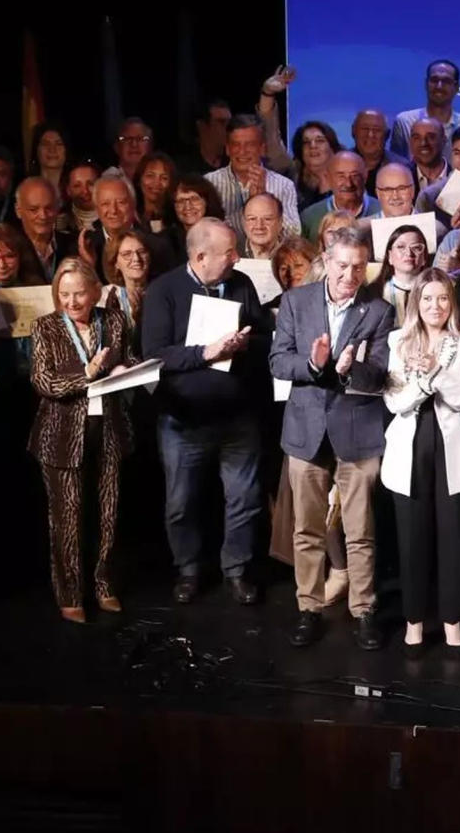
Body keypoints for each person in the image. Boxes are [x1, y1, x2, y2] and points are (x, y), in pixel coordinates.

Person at [271, 228, 395, 652]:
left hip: (357, 431)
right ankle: (309, 607)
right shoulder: (296, 301)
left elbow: (379, 374)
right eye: (342, 265)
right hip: (305, 430)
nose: (349, 275)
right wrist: (313, 363)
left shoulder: (378, 311)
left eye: (358, 267)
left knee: (360, 530)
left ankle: (364, 610)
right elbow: (277, 361)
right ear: (326, 261)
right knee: (306, 529)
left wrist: (348, 369)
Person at [140, 219, 274, 605]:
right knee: (181, 504)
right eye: (229, 252)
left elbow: (263, 336)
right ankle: (188, 569)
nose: (237, 258)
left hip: (238, 417)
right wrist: (206, 352)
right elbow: (155, 355)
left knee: (245, 499)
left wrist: (246, 343)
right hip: (184, 421)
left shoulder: (241, 284)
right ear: (201, 257)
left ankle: (237, 570)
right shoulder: (163, 290)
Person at [382, 269, 460, 653]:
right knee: (412, 539)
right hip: (410, 448)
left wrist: (435, 373)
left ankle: (452, 621)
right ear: (416, 302)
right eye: (427, 298)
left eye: (443, 298)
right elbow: (394, 401)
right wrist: (423, 382)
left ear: (452, 302)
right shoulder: (398, 340)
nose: (435, 306)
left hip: (455, 449)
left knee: (454, 538)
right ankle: (414, 621)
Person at [28, 258, 136, 622]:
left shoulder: (115, 320)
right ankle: (70, 593)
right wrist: (87, 375)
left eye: (78, 294)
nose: (71, 302)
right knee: (68, 517)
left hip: (109, 429)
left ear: (95, 292)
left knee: (109, 513)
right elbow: (43, 382)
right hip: (61, 435)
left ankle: (105, 584)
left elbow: (129, 357)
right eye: (64, 294)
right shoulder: (45, 327)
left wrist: (126, 368)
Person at [205, 115, 302, 240]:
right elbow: (204, 231)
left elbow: (293, 234)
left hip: (269, 253)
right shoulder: (210, 183)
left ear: (262, 149)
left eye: (250, 145)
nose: (242, 151)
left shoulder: (283, 185)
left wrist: (264, 200)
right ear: (228, 149)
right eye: (236, 145)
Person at [390, 59, 460, 160]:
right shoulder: (405, 121)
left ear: (456, 87)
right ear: (426, 84)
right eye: (434, 80)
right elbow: (396, 163)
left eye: (446, 81)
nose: (439, 86)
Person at [301, 151, 381, 242]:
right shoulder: (310, 217)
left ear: (365, 177)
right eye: (341, 176)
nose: (348, 184)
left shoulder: (382, 212)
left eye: (355, 176)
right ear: (328, 178)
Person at [101, 229, 155, 356]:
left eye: (141, 252)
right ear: (115, 263)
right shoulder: (104, 297)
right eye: (126, 254)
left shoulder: (163, 291)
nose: (136, 259)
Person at [14, 177, 77, 281]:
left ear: (58, 208)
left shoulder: (74, 245)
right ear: (18, 211)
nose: (43, 216)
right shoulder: (8, 248)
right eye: (33, 210)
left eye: (49, 208)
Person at [135, 152, 185, 262]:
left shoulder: (178, 219)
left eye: (164, 178)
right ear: (139, 179)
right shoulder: (131, 218)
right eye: (150, 176)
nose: (156, 183)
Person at [102, 117, 153, 183]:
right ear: (116, 147)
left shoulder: (161, 182)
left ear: (150, 146)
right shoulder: (105, 181)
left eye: (140, 139)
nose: (134, 144)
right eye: (127, 139)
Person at [28, 123, 71, 195]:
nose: (52, 150)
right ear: (36, 150)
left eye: (58, 144)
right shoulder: (26, 189)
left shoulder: (75, 191)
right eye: (45, 144)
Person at [241, 193, 286, 260]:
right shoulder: (232, 254)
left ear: (280, 222)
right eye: (252, 219)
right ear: (243, 223)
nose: (259, 226)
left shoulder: (295, 256)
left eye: (267, 219)